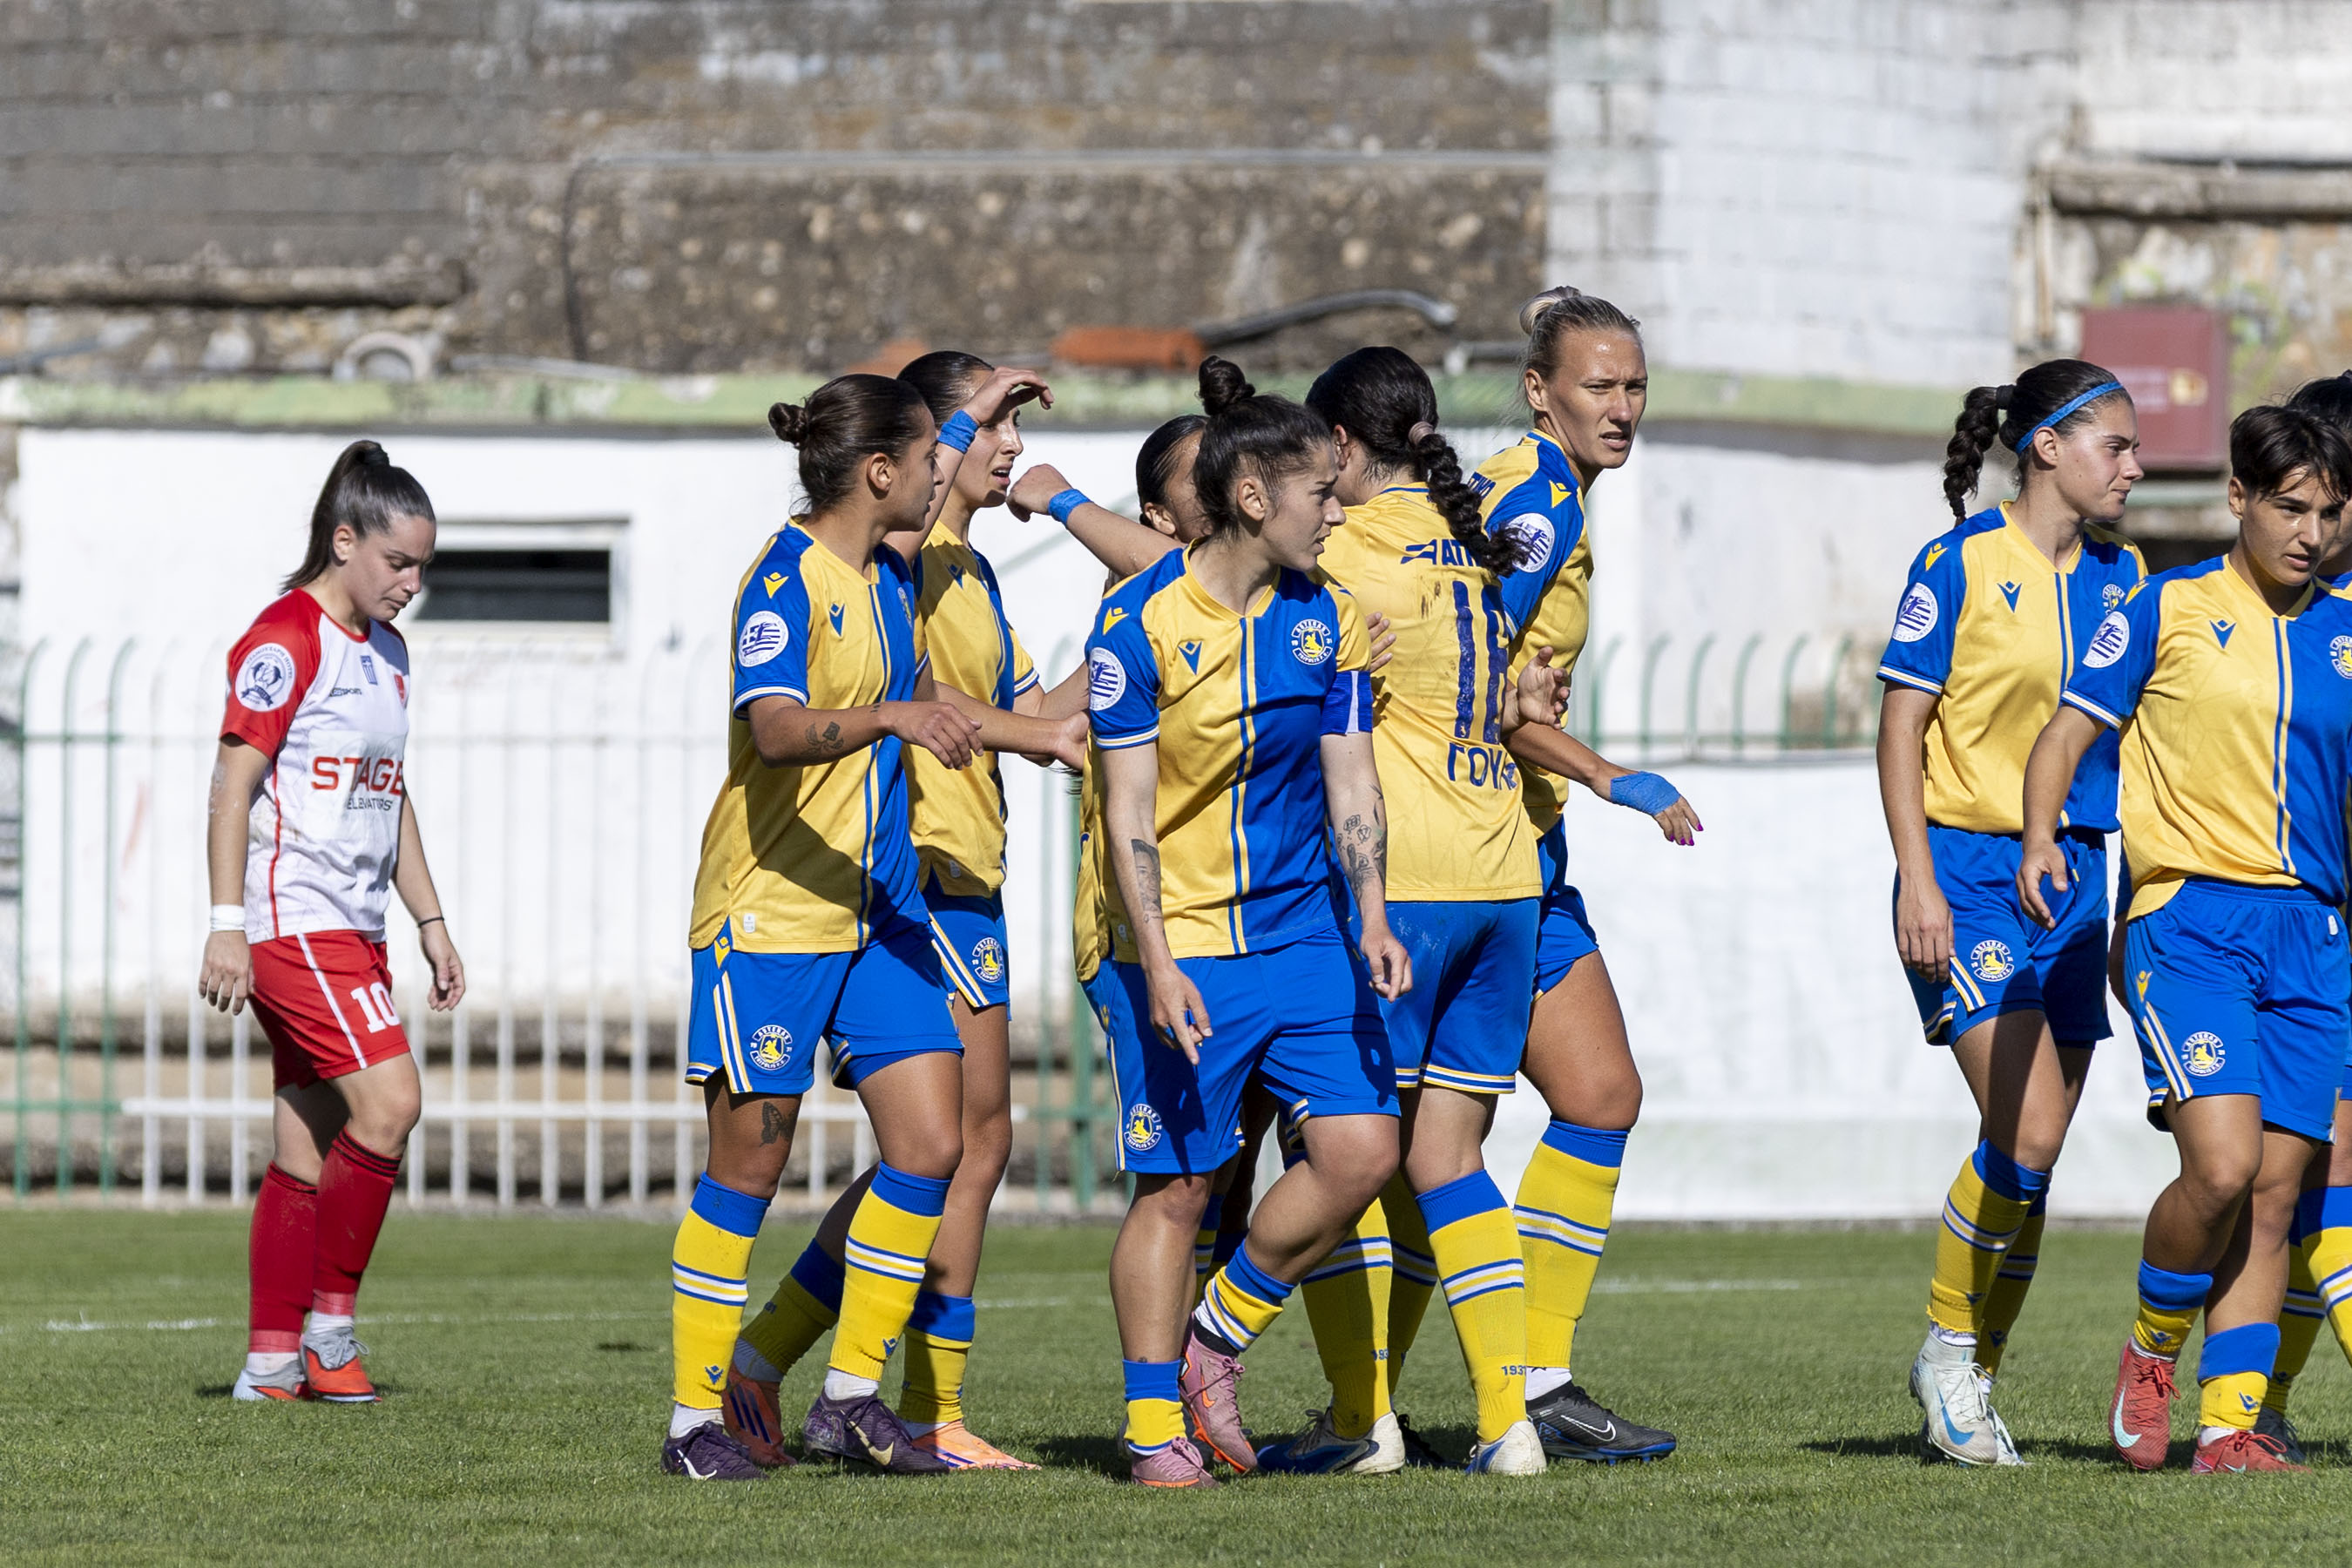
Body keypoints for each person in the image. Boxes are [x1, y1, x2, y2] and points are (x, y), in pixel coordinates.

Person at [659, 364, 1062, 1482]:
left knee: (933, 1146)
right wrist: (892, 715)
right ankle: (693, 1424)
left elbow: (947, 685)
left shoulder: (890, 573)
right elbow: (777, 730)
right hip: (773, 915)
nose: (946, 472)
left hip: (877, 914)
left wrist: (1051, 730)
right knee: (748, 1172)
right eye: (931, 456)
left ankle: (848, 1400)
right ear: (880, 471)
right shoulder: (782, 580)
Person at [1088, 357, 1411, 1489]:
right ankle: (1150, 1428)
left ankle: (1212, 1345)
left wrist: (1373, 914)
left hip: (1304, 938)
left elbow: (1351, 776)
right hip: (1183, 944)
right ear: (1254, 495)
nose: (1339, 512)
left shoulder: (1331, 620)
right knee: (1181, 1188)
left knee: (1364, 1150)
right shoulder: (1136, 626)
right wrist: (1159, 962)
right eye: (1322, 493)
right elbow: (1127, 813)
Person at [1250, 345, 1573, 1477]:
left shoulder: (1340, 556)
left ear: (1340, 446)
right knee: (1451, 1158)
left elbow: (1203, 584)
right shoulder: (1473, 544)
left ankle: (1361, 1421)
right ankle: (1507, 1423)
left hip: (1405, 888)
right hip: (1506, 879)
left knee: (1334, 1149)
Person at [2024, 403, 2352, 1476]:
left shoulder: (2347, 631)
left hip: (2313, 933)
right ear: (2239, 497)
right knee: (2222, 1166)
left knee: (2275, 1194)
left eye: (2330, 513)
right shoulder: (2164, 607)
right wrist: (2042, 837)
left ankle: (2228, 1428)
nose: (2311, 533)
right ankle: (2152, 1348)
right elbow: (2066, 732)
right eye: (2290, 507)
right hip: (2189, 922)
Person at [1875, 361, 2146, 1464]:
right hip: (1968, 872)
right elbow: (1902, 726)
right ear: (2046, 447)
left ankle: (1975, 1377)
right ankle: (1946, 1347)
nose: (2134, 468)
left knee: (2034, 1162)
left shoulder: (2128, 578)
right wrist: (1918, 877)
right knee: (2025, 1128)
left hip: (2077, 879)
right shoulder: (1958, 563)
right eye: (2116, 446)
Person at [1465, 287, 1699, 1463]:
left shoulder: (1546, 492)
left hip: (1525, 845)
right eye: (1599, 386)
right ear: (1539, 390)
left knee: (1600, 1095)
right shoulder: (1536, 508)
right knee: (1409, 1148)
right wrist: (1611, 774)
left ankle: (1540, 1382)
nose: (1622, 407)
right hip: (1470, 852)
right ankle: (1340, 1400)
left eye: (1635, 386)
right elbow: (1469, 685)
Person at [199, 439, 467, 1404]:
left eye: (422, 567)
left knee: (306, 1151)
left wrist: (430, 920)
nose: (411, 585)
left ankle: (270, 1365)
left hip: (355, 929)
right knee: (391, 1106)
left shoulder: (389, 654)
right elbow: (232, 787)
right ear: (345, 541)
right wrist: (226, 924)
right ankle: (329, 1331)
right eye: (397, 562)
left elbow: (388, 794)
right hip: (294, 924)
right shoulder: (285, 640)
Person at [2228, 369, 2352, 1462]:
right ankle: (2247, 1404)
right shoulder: (2273, 619)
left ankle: (2259, 1405)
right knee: (2313, 1174)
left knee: (2312, 1182)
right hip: (2298, 935)